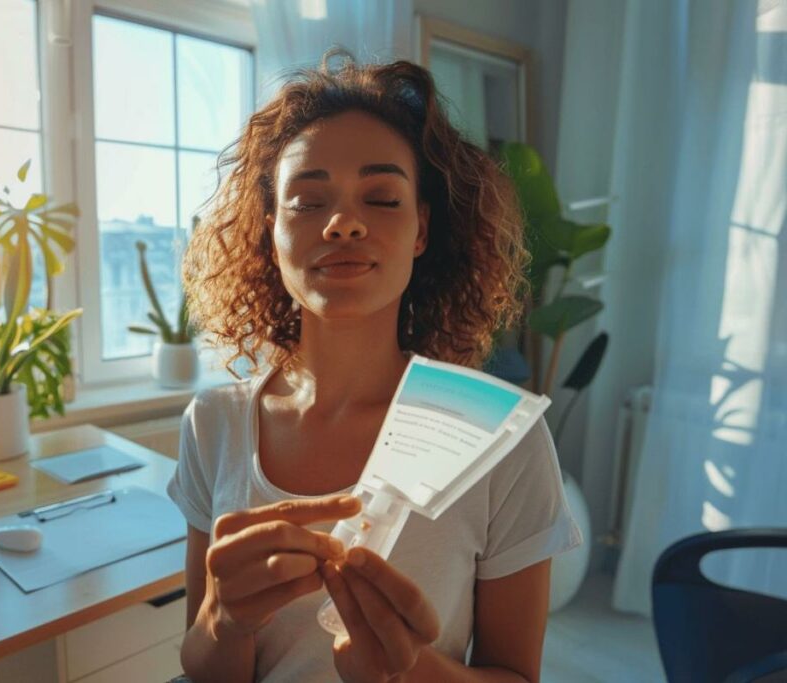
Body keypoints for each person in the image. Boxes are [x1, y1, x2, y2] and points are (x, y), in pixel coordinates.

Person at [167, 53, 582, 683]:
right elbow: (202, 667)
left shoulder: (500, 438)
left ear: (421, 230)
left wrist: (406, 669)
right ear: (270, 231)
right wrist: (222, 621)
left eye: (383, 198)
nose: (344, 223)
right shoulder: (214, 423)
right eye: (308, 202)